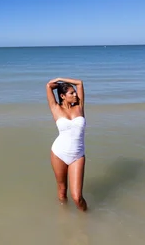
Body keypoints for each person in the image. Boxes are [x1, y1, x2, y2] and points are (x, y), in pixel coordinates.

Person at [46, 77, 88, 211]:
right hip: (59, 153)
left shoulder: (79, 106)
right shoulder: (55, 108)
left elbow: (80, 83)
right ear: (63, 96)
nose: (75, 95)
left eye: (75, 92)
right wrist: (54, 83)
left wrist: (60, 79)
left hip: (77, 156)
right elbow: (48, 86)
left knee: (77, 197)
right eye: (71, 93)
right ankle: (64, 218)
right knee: (62, 191)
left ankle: (86, 219)